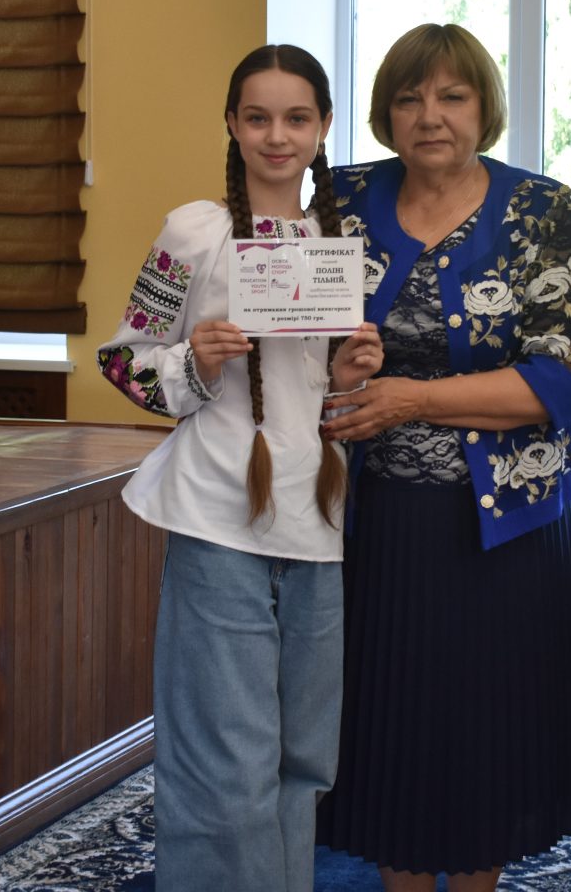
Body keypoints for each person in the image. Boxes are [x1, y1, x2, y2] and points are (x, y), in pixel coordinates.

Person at [315, 23, 571, 891]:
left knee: (489, 733)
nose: (428, 116)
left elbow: (563, 378)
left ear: (483, 107)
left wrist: (410, 399)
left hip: (510, 523)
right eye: (408, 99)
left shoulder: (539, 209)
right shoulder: (337, 199)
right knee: (390, 726)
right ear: (384, 114)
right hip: (376, 521)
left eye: (451, 96)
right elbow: (289, 335)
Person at [97, 44, 383, 892]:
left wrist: (348, 374)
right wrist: (194, 361)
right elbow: (123, 362)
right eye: (257, 117)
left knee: (304, 757)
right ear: (231, 123)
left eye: (296, 118)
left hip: (319, 521)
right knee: (225, 760)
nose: (276, 136)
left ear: (323, 127)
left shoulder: (344, 244)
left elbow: (325, 398)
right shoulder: (195, 231)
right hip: (216, 513)